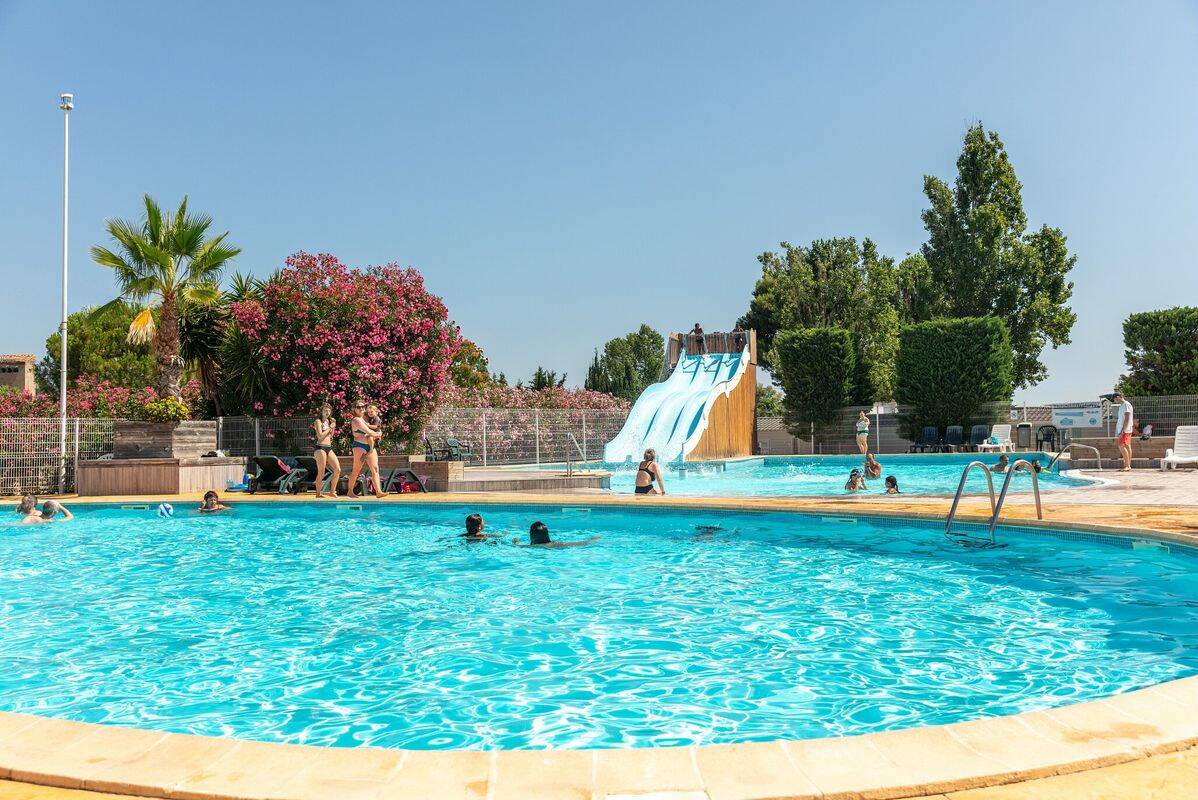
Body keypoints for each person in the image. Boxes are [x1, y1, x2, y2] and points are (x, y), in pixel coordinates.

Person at [346, 401, 386, 498]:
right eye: (358, 407)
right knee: (356, 470)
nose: (361, 408)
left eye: (363, 406)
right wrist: (378, 434)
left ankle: (379, 492)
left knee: (375, 468)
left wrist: (376, 433)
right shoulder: (356, 420)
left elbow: (373, 430)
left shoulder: (364, 419)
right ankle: (350, 492)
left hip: (370, 447)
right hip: (360, 446)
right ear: (354, 409)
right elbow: (369, 432)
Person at [311, 403, 341, 499]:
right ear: (321, 412)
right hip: (320, 448)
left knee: (337, 469)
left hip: (328, 447)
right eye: (325, 410)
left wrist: (333, 426)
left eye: (329, 411)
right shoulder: (318, 421)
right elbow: (320, 436)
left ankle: (332, 491)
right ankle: (318, 494)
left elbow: (331, 436)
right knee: (321, 472)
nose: (327, 412)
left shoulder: (329, 422)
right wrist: (330, 427)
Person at [517, 520, 599, 548]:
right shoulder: (555, 544)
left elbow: (517, 546)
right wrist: (591, 540)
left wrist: (515, 542)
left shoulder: (532, 547)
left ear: (532, 535)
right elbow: (580, 543)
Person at [1113, 390, 1134, 471]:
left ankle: (1127, 466)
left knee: (1121, 445)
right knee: (1127, 446)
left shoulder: (1126, 405)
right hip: (1125, 429)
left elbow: (1127, 418)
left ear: (1118, 397)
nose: (1114, 401)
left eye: (1114, 399)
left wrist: (1123, 430)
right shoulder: (1123, 405)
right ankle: (1127, 465)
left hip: (1125, 430)